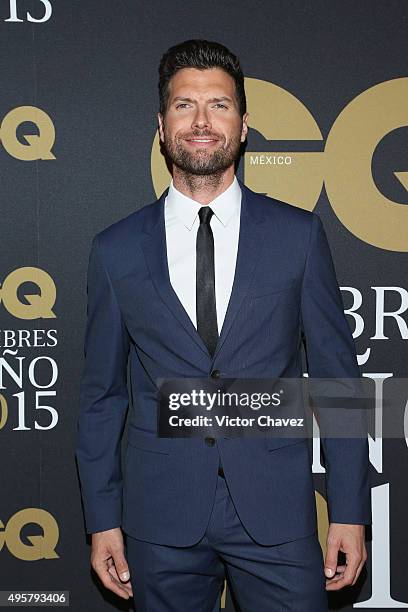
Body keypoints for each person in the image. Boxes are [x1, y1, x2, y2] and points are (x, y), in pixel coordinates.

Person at [75, 39, 371, 611]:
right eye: (185, 105)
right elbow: (101, 397)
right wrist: (102, 519)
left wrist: (349, 510)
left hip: (277, 511)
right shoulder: (114, 250)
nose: (202, 121)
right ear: (162, 125)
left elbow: (340, 380)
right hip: (159, 517)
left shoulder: (298, 237)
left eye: (219, 105)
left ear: (243, 123)